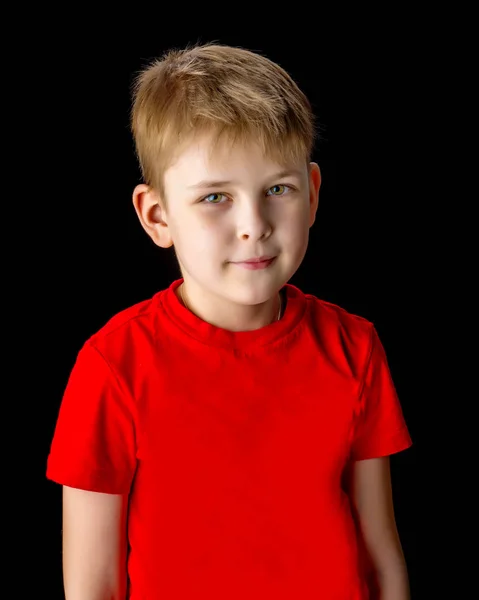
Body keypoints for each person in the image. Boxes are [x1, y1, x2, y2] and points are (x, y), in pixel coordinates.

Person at [46, 42, 413, 599]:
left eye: (277, 190)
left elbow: (381, 550)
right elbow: (92, 582)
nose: (254, 224)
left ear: (312, 195)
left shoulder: (354, 347)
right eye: (216, 196)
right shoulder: (112, 366)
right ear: (157, 216)